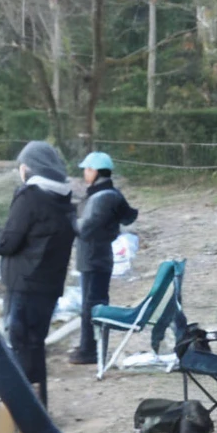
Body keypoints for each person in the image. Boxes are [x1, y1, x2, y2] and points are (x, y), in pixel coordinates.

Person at [0, 141, 76, 402]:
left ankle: (25, 413)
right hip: (50, 284)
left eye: (22, 166)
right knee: (34, 348)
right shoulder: (65, 198)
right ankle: (38, 409)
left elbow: (8, 242)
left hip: (24, 285)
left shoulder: (30, 196)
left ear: (29, 169)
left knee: (21, 347)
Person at [66, 151, 139, 365]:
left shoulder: (103, 196)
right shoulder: (108, 193)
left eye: (87, 169)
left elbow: (84, 229)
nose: (85, 173)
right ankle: (89, 346)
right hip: (96, 256)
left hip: (94, 257)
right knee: (91, 303)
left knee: (92, 305)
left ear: (96, 171)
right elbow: (128, 215)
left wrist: (69, 216)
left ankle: (90, 351)